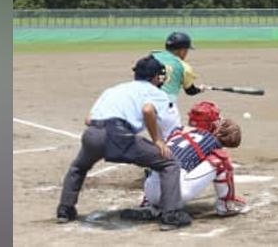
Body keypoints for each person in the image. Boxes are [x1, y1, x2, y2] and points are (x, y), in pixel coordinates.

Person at [56, 56, 191, 231]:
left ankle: (65, 210)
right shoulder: (157, 93)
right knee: (169, 163)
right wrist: (157, 140)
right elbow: (148, 110)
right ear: (155, 77)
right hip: (119, 135)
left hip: (92, 134)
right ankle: (171, 215)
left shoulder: (113, 89)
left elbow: (88, 119)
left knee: (78, 168)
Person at [123, 101, 249, 221]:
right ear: (210, 123)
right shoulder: (211, 140)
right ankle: (226, 205)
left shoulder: (175, 132)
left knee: (162, 159)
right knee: (221, 159)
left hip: (151, 190)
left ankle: (150, 205)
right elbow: (233, 141)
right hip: (177, 192)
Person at [152, 32, 206, 109]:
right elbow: (190, 91)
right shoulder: (184, 67)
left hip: (143, 102)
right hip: (165, 106)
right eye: (186, 50)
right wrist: (200, 89)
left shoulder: (152, 57)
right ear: (182, 51)